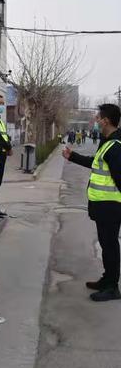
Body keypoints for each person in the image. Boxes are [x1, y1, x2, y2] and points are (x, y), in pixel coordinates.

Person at [63, 104, 121, 301]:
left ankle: (112, 287)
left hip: (111, 206)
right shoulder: (107, 142)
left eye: (98, 118)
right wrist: (73, 157)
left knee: (110, 245)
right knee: (106, 244)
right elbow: (95, 163)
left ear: (105, 120)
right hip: (103, 204)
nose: (95, 121)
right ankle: (108, 279)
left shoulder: (115, 147)